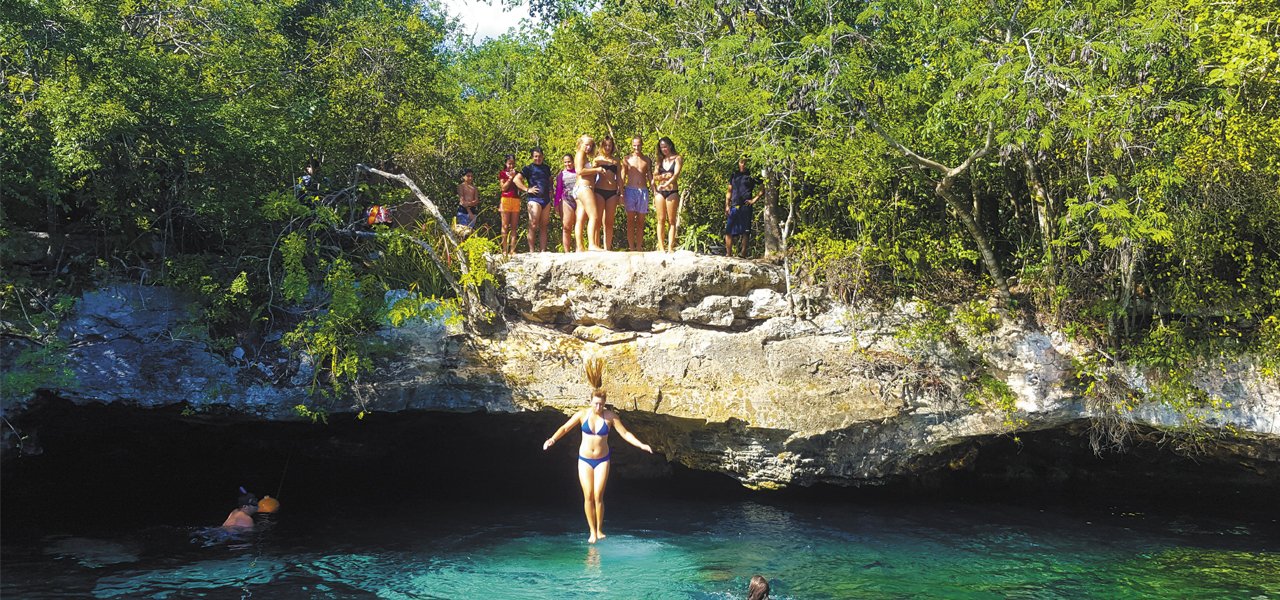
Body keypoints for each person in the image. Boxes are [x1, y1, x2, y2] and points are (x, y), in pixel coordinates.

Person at [543, 358, 654, 543]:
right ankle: (592, 532)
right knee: (587, 495)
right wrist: (552, 439)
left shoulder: (610, 417)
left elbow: (625, 433)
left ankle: (600, 529)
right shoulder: (582, 415)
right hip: (585, 460)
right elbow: (564, 428)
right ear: (590, 401)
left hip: (602, 459)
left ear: (605, 403)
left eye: (601, 404)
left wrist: (641, 445)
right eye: (595, 403)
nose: (598, 407)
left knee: (598, 495)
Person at [515, 147, 555, 252]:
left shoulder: (546, 168)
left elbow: (550, 179)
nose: (538, 158)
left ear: (543, 156)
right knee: (533, 224)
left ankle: (543, 251)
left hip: (546, 199)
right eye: (536, 156)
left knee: (544, 225)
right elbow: (516, 179)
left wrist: (551, 189)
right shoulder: (528, 168)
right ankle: (532, 251)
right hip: (534, 199)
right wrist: (527, 189)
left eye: (540, 156)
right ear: (532, 157)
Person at [573, 136, 606, 251]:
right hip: (584, 187)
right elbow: (580, 171)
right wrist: (597, 170)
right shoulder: (580, 153)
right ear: (580, 143)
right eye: (586, 144)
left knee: (581, 218)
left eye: (590, 145)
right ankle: (592, 244)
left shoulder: (582, 155)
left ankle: (580, 247)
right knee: (594, 216)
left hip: (580, 188)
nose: (588, 147)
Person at [724, 156, 761, 257]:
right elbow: (729, 190)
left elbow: (763, 187)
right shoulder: (734, 175)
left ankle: (743, 253)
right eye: (741, 162)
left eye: (745, 163)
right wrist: (727, 205)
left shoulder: (751, 175)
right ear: (738, 163)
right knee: (729, 230)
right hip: (734, 205)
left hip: (746, 206)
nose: (743, 165)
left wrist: (754, 200)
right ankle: (728, 254)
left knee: (745, 231)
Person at [622, 136, 653, 252]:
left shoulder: (647, 160)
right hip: (630, 190)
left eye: (638, 145)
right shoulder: (627, 159)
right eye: (634, 145)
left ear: (642, 145)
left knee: (641, 221)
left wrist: (654, 188)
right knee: (630, 221)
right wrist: (620, 191)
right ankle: (631, 248)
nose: (636, 147)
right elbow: (622, 175)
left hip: (643, 191)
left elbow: (649, 176)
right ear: (631, 145)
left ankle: (639, 247)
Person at [653, 137, 683, 252]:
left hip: (671, 191)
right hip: (660, 192)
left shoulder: (677, 158)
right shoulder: (660, 161)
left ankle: (670, 246)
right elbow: (655, 176)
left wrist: (666, 184)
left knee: (671, 220)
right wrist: (662, 177)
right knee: (660, 219)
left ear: (670, 145)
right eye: (662, 147)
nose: (664, 149)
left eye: (665, 146)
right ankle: (661, 246)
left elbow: (675, 175)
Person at [593, 137, 622, 250]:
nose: (608, 148)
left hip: (612, 192)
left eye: (610, 145)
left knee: (609, 221)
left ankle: (607, 248)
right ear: (602, 146)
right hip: (599, 190)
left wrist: (621, 193)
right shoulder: (597, 160)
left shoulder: (616, 161)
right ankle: (595, 246)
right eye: (605, 145)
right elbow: (592, 175)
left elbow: (619, 177)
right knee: (597, 220)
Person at [555, 154, 581, 252]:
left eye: (569, 161)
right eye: (565, 162)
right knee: (566, 226)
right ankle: (566, 251)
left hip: (578, 200)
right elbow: (558, 190)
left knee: (578, 225)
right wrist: (556, 204)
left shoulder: (579, 172)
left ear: (573, 161)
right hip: (566, 200)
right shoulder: (561, 174)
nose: (567, 164)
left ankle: (578, 248)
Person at [498, 154, 521, 256]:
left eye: (513, 164)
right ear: (505, 163)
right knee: (505, 225)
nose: (511, 166)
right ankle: (504, 249)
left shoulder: (518, 174)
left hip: (515, 199)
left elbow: (520, 187)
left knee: (514, 226)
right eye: (509, 164)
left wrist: (516, 178)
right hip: (505, 199)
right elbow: (503, 188)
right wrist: (510, 178)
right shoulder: (502, 173)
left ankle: (513, 249)